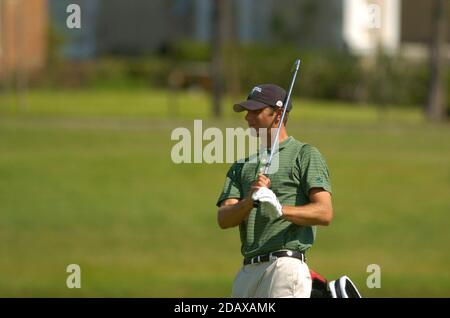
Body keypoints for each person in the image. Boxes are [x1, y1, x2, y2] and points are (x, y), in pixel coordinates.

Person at [216, 83, 333, 298]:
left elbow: (324, 212)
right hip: (248, 271)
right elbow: (224, 218)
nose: (247, 117)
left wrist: (280, 208)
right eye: (247, 111)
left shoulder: (304, 154)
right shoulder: (241, 165)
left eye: (255, 111)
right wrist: (248, 201)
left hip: (285, 267)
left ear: (278, 114)